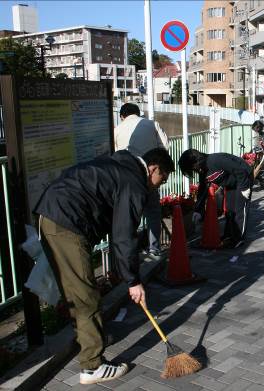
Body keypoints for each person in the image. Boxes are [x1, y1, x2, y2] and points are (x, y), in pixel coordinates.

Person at [35, 148, 176, 385]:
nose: (160, 185)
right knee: (86, 296)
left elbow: (116, 227)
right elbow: (123, 236)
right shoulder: (134, 183)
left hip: (52, 214)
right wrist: (133, 281)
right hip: (66, 222)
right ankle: (92, 366)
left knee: (76, 292)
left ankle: (90, 339)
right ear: (153, 168)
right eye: (162, 178)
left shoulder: (121, 164)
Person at [114, 103, 169, 261]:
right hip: (150, 177)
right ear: (139, 113)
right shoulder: (151, 124)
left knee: (131, 216)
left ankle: (131, 254)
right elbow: (165, 146)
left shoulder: (117, 129)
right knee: (152, 213)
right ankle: (154, 249)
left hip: (126, 181)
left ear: (122, 116)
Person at [179, 149, 252, 248]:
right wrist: (198, 210)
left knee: (239, 209)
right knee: (230, 210)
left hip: (243, 178)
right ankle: (229, 235)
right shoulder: (203, 170)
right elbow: (202, 189)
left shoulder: (216, 160)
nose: (194, 170)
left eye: (192, 167)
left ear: (196, 162)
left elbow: (240, 170)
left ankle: (238, 238)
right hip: (231, 183)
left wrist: (244, 188)